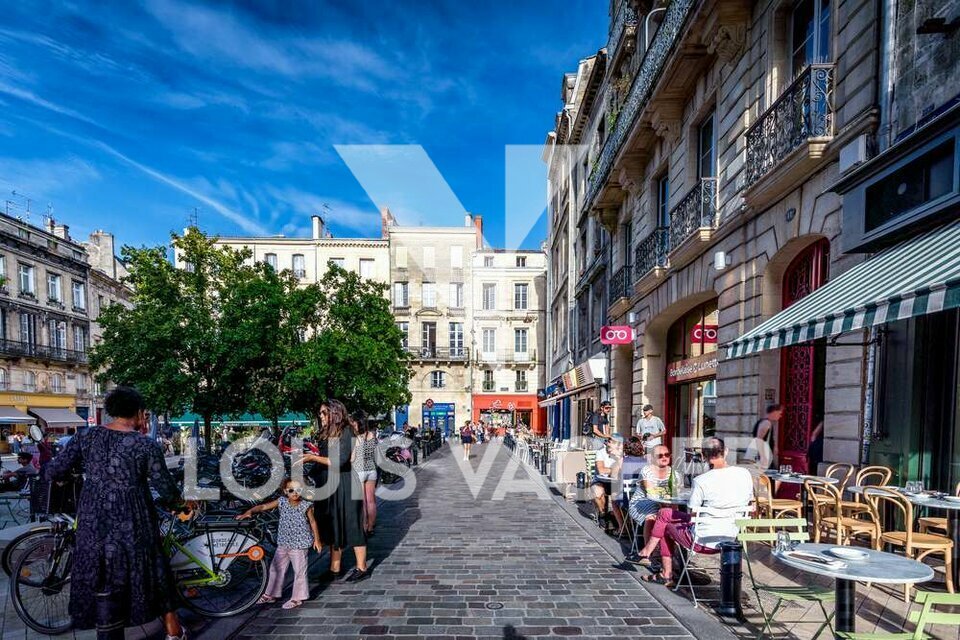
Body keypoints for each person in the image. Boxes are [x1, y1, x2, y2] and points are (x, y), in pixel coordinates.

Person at [44, 386, 189, 640]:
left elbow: (55, 470)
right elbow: (164, 487)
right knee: (150, 568)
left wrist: (69, 478)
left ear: (111, 411)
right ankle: (171, 628)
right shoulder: (145, 445)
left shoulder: (85, 437)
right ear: (139, 412)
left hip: (93, 519)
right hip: (134, 519)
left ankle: (110, 633)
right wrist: (180, 504)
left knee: (101, 574)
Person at [633, 437, 754, 586]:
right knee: (664, 513)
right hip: (730, 538)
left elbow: (693, 516)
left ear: (703, 456)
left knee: (664, 523)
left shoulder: (702, 480)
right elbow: (750, 503)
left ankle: (665, 572)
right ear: (726, 452)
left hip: (701, 540)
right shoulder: (745, 474)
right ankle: (649, 551)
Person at [297, 400, 369, 582]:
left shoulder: (346, 431)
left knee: (352, 524)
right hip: (327, 484)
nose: (320, 416)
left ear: (334, 413)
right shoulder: (325, 433)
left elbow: (340, 460)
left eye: (323, 413)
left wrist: (312, 457)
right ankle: (334, 567)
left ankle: (362, 567)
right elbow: (323, 461)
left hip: (344, 484)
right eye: (320, 413)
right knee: (331, 526)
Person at [238, 478, 321, 609]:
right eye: (291, 490)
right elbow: (264, 506)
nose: (295, 493)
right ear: (285, 491)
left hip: (300, 544)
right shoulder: (281, 502)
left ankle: (297, 597)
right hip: (283, 542)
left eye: (298, 490)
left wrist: (317, 540)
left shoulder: (306, 505)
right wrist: (250, 511)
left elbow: (313, 522)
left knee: (299, 571)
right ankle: (271, 594)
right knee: (276, 568)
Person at [625, 445, 682, 564]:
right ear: (653, 458)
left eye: (667, 455)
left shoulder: (674, 474)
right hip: (642, 503)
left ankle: (672, 553)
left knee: (675, 517)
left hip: (665, 504)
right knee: (653, 516)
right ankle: (649, 554)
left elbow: (677, 495)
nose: (664, 458)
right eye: (660, 456)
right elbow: (650, 492)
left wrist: (673, 512)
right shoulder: (647, 470)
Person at [350, 410, 378, 535]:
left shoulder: (356, 438)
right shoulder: (372, 435)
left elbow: (352, 458)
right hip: (371, 470)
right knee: (371, 501)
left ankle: (364, 525)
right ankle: (371, 527)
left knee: (363, 502)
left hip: (359, 471)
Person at [590, 437, 624, 531]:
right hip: (601, 481)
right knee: (597, 491)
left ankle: (617, 517)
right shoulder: (600, 452)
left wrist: (618, 459)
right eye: (608, 441)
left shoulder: (621, 454)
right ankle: (603, 514)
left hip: (617, 482)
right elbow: (601, 470)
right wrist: (614, 470)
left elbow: (624, 469)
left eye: (611, 442)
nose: (608, 443)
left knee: (620, 495)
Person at [746, 404, 782, 470]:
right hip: (761, 456)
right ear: (774, 412)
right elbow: (759, 440)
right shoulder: (766, 423)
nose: (780, 416)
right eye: (779, 413)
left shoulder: (766, 422)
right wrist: (763, 457)